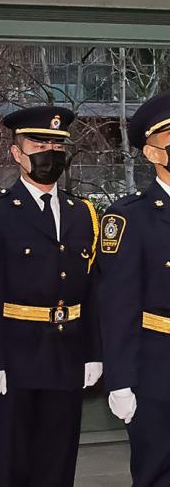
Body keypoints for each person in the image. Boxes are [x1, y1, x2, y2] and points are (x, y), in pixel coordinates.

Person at [0, 106, 102, 487]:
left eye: (56, 144)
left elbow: (94, 289)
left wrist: (94, 352)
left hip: (66, 356)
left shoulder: (83, 213)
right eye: (38, 143)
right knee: (11, 464)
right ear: (17, 153)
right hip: (14, 359)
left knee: (58, 464)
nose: (49, 152)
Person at [98, 91, 170, 487]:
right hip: (158, 371)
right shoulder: (130, 218)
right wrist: (120, 380)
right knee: (157, 472)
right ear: (152, 154)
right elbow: (118, 304)